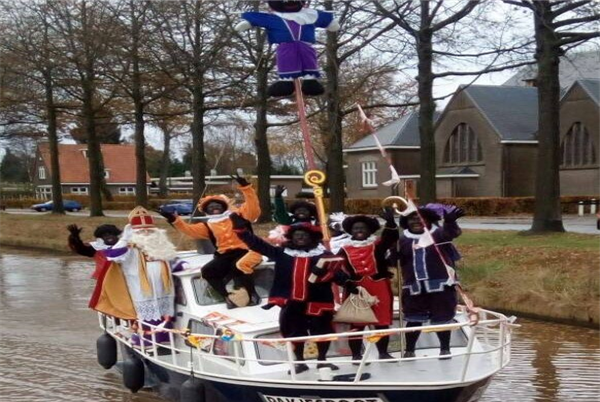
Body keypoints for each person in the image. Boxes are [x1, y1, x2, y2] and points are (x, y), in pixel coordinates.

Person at [231, 213, 341, 374]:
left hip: (318, 301)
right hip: (291, 301)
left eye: (304, 235)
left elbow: (338, 274)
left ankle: (322, 360)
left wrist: (345, 281)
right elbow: (258, 244)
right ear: (291, 238)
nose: (300, 237)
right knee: (293, 331)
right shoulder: (281, 253)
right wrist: (241, 230)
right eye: (297, 235)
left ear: (312, 238)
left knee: (323, 331)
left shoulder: (325, 255)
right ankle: (300, 362)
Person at [160, 174, 262, 309]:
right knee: (207, 271)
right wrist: (173, 219)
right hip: (226, 255)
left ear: (224, 206)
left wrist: (246, 187)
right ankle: (228, 296)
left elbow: (253, 208)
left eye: (217, 205)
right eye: (210, 206)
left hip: (248, 250)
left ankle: (252, 294)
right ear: (206, 210)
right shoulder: (208, 225)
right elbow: (189, 230)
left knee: (239, 265)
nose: (214, 207)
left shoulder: (240, 216)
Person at [105, 206, 185, 345]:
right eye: (141, 230)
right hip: (141, 286)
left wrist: (182, 265)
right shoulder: (130, 246)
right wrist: (125, 239)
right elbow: (112, 256)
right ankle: (148, 339)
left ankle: (165, 337)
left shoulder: (160, 243)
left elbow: (172, 260)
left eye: (149, 229)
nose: (146, 232)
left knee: (164, 310)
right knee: (148, 312)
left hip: (164, 285)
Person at [395, 205, 465, 359]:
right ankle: (409, 350)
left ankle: (445, 349)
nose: (416, 221)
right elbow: (395, 260)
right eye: (412, 219)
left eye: (420, 218)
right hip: (414, 287)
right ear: (406, 222)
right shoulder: (402, 240)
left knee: (442, 318)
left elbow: (451, 233)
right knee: (413, 319)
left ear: (428, 220)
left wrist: (450, 222)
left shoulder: (438, 234)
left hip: (441, 285)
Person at [336, 209, 399, 363]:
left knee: (381, 322)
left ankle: (383, 353)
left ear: (370, 230)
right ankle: (356, 355)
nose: (359, 230)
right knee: (357, 324)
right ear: (351, 231)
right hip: (356, 289)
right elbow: (335, 269)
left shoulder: (377, 245)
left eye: (363, 228)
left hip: (379, 287)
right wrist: (346, 282)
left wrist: (390, 222)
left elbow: (390, 238)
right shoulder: (344, 249)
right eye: (356, 228)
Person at [67, 223, 137, 320]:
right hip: (106, 280)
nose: (108, 236)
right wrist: (75, 237)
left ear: (116, 235)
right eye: (104, 235)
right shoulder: (96, 248)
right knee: (110, 302)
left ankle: (131, 318)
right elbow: (80, 248)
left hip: (127, 278)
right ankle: (116, 320)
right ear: (101, 238)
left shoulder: (126, 245)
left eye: (111, 233)